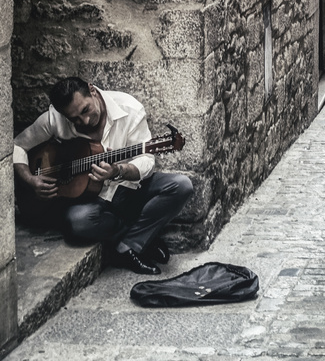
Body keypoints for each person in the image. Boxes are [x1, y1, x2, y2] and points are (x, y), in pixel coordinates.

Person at [14, 77, 193, 275]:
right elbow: (16, 146)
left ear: (92, 90)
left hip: (127, 189)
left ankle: (128, 245)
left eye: (85, 110)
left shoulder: (129, 109)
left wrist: (119, 171)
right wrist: (30, 180)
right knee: (77, 222)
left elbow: (146, 160)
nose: (85, 121)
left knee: (181, 185)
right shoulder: (54, 119)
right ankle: (139, 239)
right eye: (74, 119)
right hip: (91, 200)